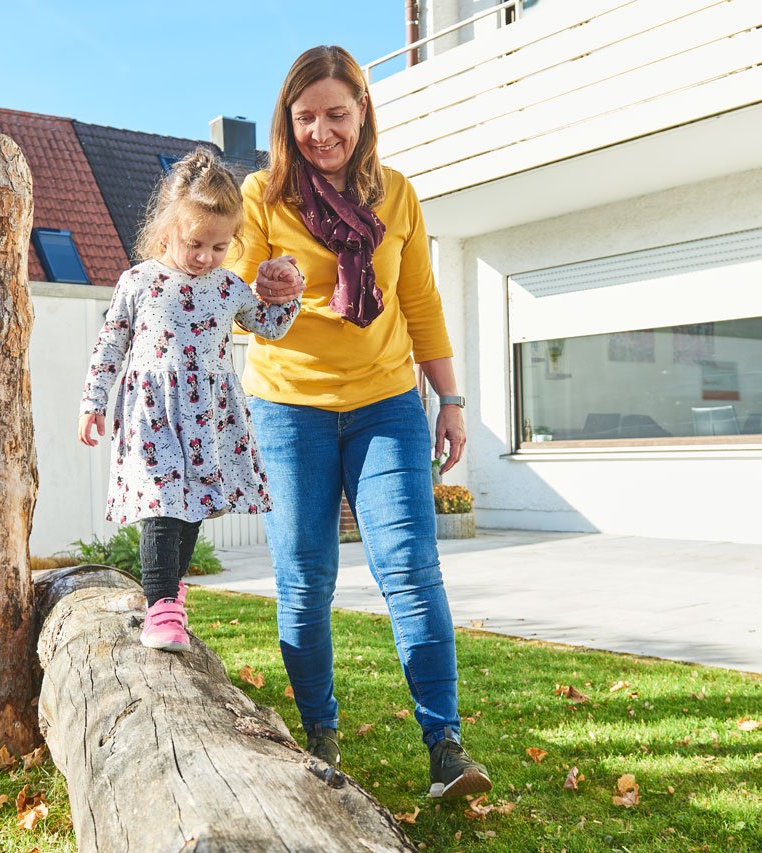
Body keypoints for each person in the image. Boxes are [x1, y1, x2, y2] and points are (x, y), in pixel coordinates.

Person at [228, 45, 492, 799]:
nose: (319, 131)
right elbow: (241, 305)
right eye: (303, 117)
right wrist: (265, 291)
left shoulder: (396, 194)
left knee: (409, 568)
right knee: (305, 578)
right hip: (287, 408)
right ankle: (321, 736)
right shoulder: (261, 196)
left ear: (362, 113)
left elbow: (420, 302)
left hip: (385, 403)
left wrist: (450, 400)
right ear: (287, 120)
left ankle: (445, 745)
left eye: (335, 114)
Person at [79, 148, 301, 652]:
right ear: (167, 230)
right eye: (195, 243)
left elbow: (269, 326)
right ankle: (160, 609)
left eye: (220, 247)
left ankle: (170, 598)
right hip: (153, 414)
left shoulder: (227, 287)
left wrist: (290, 291)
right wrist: (92, 400)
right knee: (160, 506)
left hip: (208, 418)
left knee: (192, 506)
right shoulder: (139, 281)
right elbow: (111, 342)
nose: (206, 257)